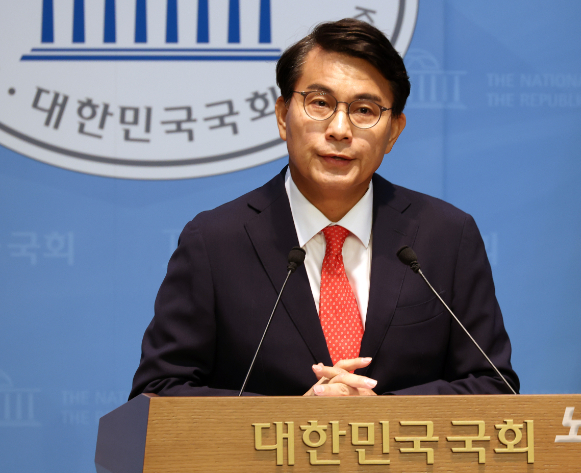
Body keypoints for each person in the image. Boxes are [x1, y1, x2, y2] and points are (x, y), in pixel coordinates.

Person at [129, 18, 519, 399]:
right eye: (320, 103)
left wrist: (381, 418)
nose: (340, 129)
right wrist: (295, 422)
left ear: (393, 132)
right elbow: (159, 391)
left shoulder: (445, 236)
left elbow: (493, 383)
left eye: (364, 110)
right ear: (283, 116)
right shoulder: (215, 242)